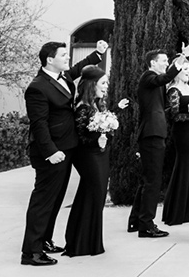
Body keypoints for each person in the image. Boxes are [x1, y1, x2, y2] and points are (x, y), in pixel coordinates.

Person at [20, 40, 106, 267]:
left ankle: (45, 240)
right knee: (43, 201)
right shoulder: (37, 87)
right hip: (52, 152)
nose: (67, 58)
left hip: (67, 148)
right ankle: (31, 252)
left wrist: (97, 54)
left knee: (56, 199)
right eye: (63, 55)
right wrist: (50, 152)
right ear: (50, 59)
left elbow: (79, 68)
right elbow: (39, 124)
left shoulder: (64, 77)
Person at [127, 44, 189, 238]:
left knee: (148, 179)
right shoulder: (148, 77)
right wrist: (182, 58)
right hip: (151, 134)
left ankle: (136, 221)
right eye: (164, 61)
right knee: (153, 182)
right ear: (153, 63)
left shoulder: (154, 82)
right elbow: (164, 78)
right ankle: (146, 225)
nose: (167, 63)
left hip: (154, 133)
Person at [63, 65, 129, 256]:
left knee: (96, 196)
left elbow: (102, 124)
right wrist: (96, 139)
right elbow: (81, 136)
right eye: (103, 83)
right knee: (91, 194)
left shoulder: (98, 104)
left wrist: (112, 119)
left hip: (101, 154)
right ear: (92, 84)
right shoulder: (82, 108)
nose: (106, 86)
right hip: (89, 157)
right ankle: (80, 243)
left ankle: (90, 241)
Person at [161, 61, 189, 226]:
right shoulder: (173, 90)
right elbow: (175, 116)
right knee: (184, 167)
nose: (188, 71)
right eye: (184, 69)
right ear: (177, 71)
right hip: (184, 134)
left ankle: (188, 210)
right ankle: (176, 212)